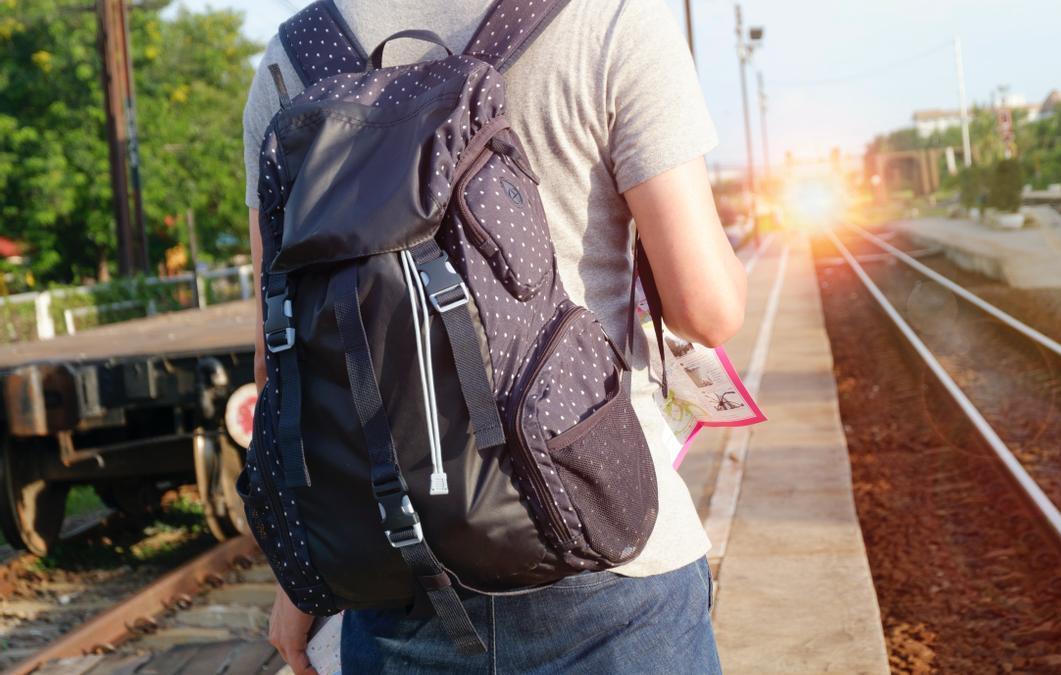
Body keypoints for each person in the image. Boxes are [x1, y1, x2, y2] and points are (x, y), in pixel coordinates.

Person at [241, 1, 746, 672]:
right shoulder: (613, 17)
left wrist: (302, 571)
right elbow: (706, 309)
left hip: (399, 572)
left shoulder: (289, 60)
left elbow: (281, 359)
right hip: (611, 560)